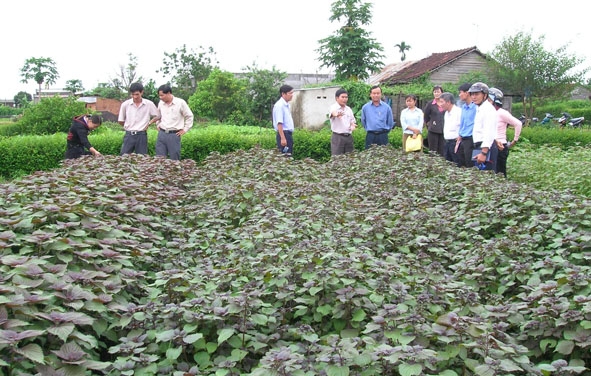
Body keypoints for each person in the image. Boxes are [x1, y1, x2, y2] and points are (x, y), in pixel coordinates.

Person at [488, 88, 522, 177]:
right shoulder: (487, 112)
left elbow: (518, 124)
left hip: (501, 146)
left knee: (500, 172)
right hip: (490, 144)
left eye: (489, 100)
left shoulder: (501, 113)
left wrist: (515, 140)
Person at [118, 82, 160, 155]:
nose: (135, 96)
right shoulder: (125, 104)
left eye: (137, 94)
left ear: (142, 92)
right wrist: (129, 126)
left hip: (141, 135)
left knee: (142, 158)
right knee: (124, 156)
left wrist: (149, 123)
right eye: (133, 94)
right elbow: (120, 120)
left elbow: (158, 116)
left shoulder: (149, 104)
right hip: (129, 134)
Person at [155, 84, 194, 160]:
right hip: (162, 134)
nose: (160, 97)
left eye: (162, 95)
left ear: (169, 93)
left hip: (174, 134)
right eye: (159, 96)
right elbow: (158, 116)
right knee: (159, 158)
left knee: (174, 158)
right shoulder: (161, 103)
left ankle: (175, 172)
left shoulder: (180, 103)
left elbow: (189, 116)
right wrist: (158, 124)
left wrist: (185, 129)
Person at [469, 82, 498, 170]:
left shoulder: (488, 109)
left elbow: (489, 132)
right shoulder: (479, 108)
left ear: (485, 95)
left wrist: (484, 153)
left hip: (485, 148)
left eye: (477, 94)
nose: (474, 97)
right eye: (472, 94)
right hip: (479, 146)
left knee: (486, 178)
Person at [329, 88, 357, 156]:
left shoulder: (348, 109)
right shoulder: (333, 107)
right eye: (342, 97)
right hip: (338, 137)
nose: (345, 99)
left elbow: (352, 121)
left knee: (350, 158)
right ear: (337, 98)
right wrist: (336, 115)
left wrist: (352, 126)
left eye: (346, 97)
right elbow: (333, 113)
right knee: (337, 159)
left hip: (348, 137)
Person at [457, 83, 477, 168]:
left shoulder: (476, 107)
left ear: (467, 93)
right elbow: (463, 123)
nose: (459, 95)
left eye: (461, 92)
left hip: (471, 139)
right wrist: (459, 135)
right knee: (461, 163)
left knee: (470, 163)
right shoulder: (464, 107)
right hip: (463, 139)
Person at [439, 92, 461, 166]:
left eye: (442, 102)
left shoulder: (459, 112)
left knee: (457, 164)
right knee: (448, 165)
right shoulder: (446, 113)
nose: (440, 104)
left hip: (456, 143)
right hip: (447, 142)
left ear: (448, 102)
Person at [272, 85, 295, 156]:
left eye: (292, 93)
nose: (292, 95)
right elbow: (279, 123)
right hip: (284, 134)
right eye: (290, 93)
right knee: (285, 156)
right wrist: (283, 138)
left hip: (288, 135)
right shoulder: (280, 106)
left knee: (288, 154)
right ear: (283, 94)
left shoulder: (286, 105)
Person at [423, 85, 445, 156]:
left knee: (442, 150)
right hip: (433, 130)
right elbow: (426, 116)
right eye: (435, 92)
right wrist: (429, 124)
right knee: (433, 150)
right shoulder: (430, 104)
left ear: (442, 93)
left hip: (443, 130)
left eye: (438, 92)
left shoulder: (445, 103)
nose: (436, 93)